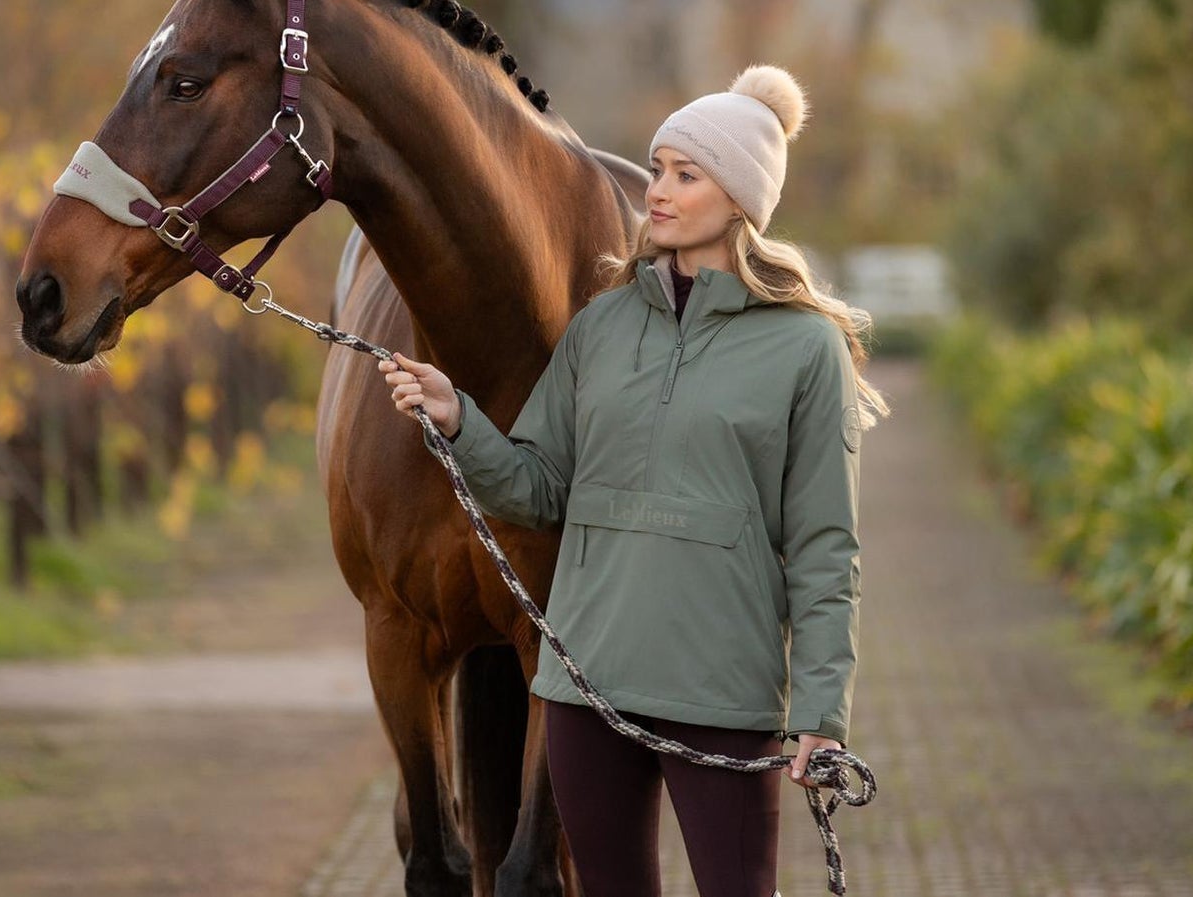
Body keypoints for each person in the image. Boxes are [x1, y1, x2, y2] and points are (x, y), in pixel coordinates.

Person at [379, 63, 888, 897]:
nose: (657, 191)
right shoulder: (604, 324)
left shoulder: (805, 348)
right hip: (587, 692)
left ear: (740, 196)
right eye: (657, 169)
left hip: (722, 693)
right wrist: (459, 420)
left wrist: (821, 713)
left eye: (687, 174)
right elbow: (538, 488)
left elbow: (826, 548)